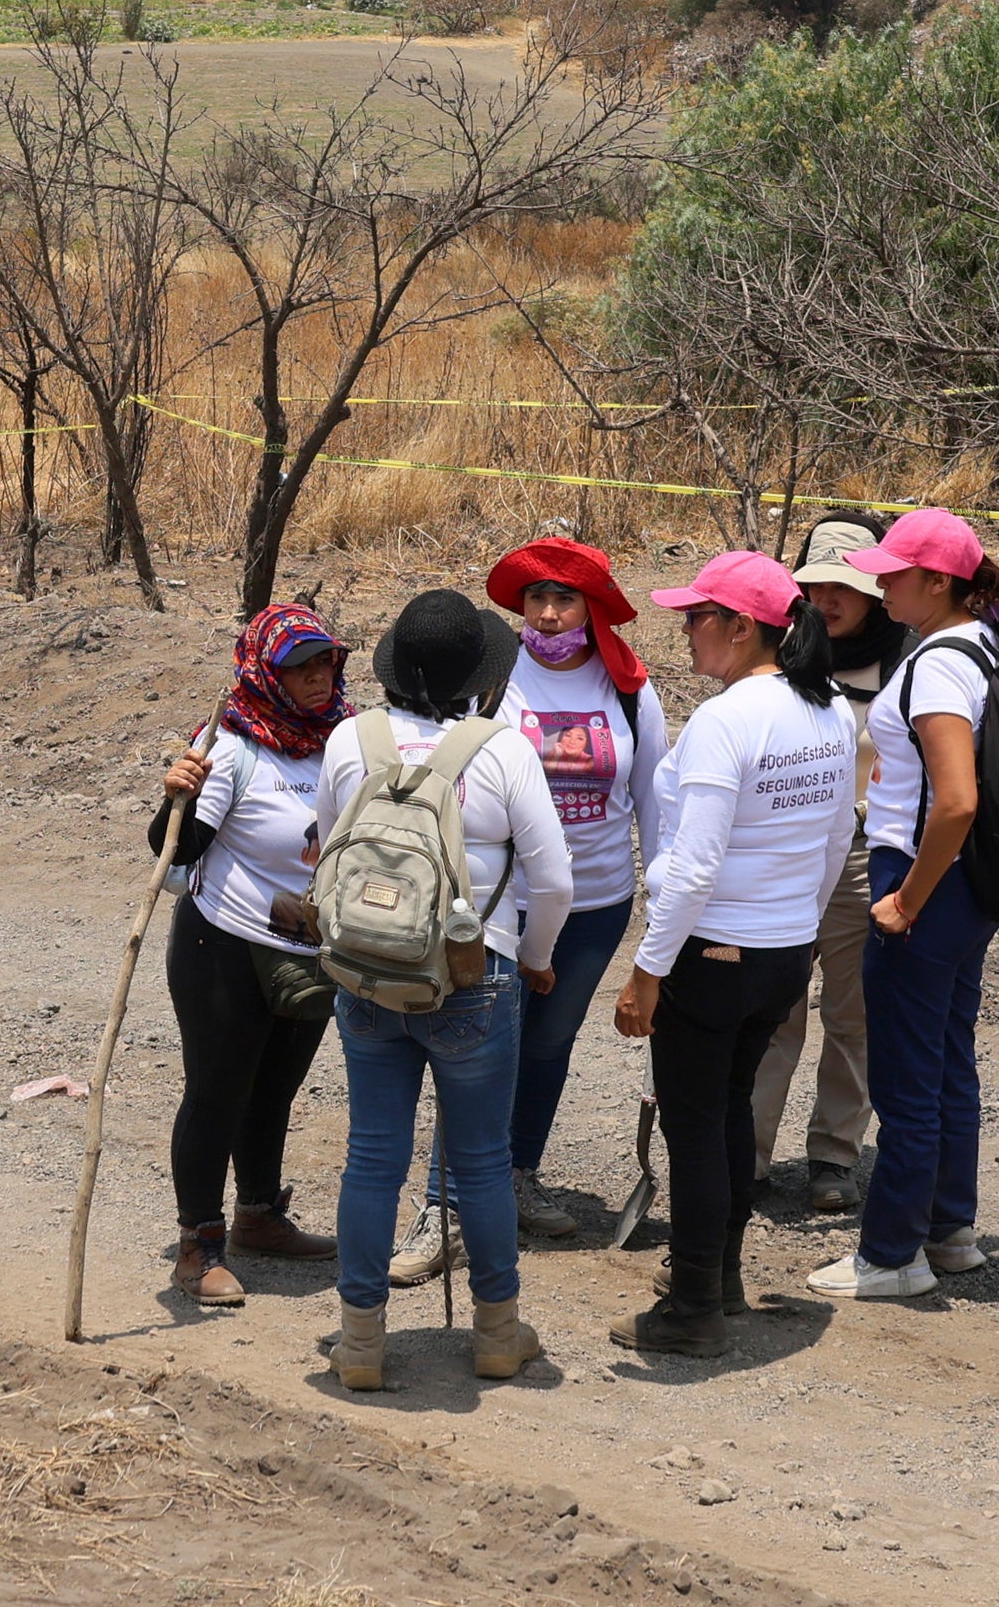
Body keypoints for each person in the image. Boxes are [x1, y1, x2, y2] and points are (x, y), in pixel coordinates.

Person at [315, 589, 572, 1394]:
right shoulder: (501, 751)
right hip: (472, 978)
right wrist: (533, 957)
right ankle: (496, 1333)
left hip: (368, 972)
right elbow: (555, 883)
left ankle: (359, 1342)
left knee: (371, 1158)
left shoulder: (348, 741)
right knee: (482, 1162)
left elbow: (324, 850)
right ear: (479, 677)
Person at [604, 552, 856, 1356]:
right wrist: (799, 928)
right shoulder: (826, 711)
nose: (685, 632)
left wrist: (647, 969)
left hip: (712, 953)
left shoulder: (725, 721)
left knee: (695, 1132)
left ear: (742, 628)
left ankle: (689, 1310)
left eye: (695, 616)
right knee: (732, 1119)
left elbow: (690, 864)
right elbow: (835, 838)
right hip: (780, 952)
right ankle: (722, 1279)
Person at [394, 538, 666, 1282]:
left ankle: (514, 1176)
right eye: (536, 598)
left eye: (564, 598)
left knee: (547, 1046)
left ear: (593, 606)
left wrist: (661, 911)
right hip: (493, 905)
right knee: (478, 1044)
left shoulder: (632, 692)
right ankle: (442, 1209)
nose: (547, 613)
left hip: (596, 901)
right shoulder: (491, 680)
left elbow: (654, 806)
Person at [807, 508, 999, 1302]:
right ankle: (949, 1229)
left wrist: (904, 901)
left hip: (923, 882)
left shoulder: (937, 664)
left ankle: (889, 1254)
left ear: (936, 581)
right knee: (946, 1060)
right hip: (962, 892)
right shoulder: (977, 645)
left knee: (907, 1075)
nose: (877, 580)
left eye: (893, 570)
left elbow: (953, 802)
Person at [148, 604, 352, 1307]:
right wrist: (175, 797)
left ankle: (259, 1217)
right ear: (267, 673)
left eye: (325, 661)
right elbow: (175, 856)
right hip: (223, 948)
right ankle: (197, 1248)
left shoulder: (347, 738)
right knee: (216, 1094)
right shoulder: (230, 744)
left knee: (274, 1092)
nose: (318, 677)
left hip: (310, 949)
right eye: (300, 666)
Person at [754, 513, 908, 1212]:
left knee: (853, 1017)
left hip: (858, 863)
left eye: (844, 588)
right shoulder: (777, 660)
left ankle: (834, 1157)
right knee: (770, 1010)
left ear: (877, 592)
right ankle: (747, 1156)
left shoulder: (906, 665)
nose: (827, 602)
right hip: (783, 858)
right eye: (814, 586)